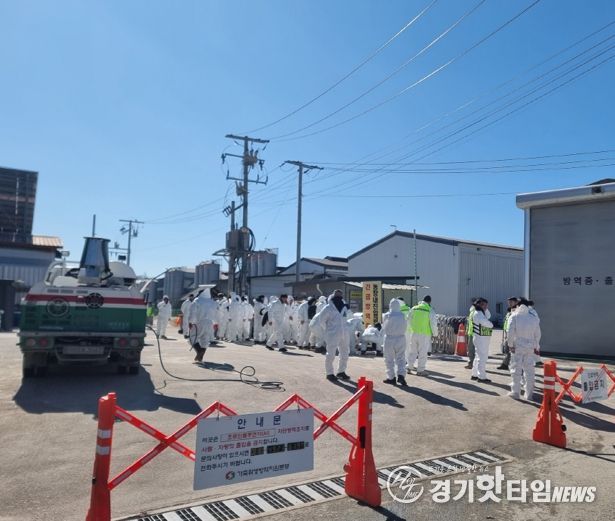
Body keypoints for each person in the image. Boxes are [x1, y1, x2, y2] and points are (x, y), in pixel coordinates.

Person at [310, 289, 350, 381]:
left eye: (340, 296)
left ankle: (341, 372)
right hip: (332, 334)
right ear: (333, 296)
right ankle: (329, 373)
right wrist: (328, 330)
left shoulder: (344, 307)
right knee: (331, 354)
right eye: (337, 296)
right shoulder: (328, 308)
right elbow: (321, 321)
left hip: (344, 333)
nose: (339, 298)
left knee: (344, 353)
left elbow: (346, 319)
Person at [507, 298, 541, 400]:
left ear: (518, 305)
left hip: (518, 346)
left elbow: (510, 332)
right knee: (529, 370)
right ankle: (529, 394)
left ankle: (515, 392)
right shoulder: (533, 317)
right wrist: (536, 345)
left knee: (516, 370)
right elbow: (538, 334)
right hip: (529, 347)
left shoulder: (515, 316)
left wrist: (510, 345)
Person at [406, 295, 438, 376]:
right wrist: (435, 333)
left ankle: (409, 367)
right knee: (422, 353)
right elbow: (433, 323)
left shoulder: (414, 308)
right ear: (429, 302)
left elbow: (408, 320)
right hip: (424, 335)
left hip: (414, 333)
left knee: (412, 351)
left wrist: (411, 329)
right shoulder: (429, 310)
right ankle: (420, 370)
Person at [382, 299, 408, 386]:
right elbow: (406, 325)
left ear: (390, 306)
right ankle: (401, 376)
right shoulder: (403, 315)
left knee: (389, 359)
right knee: (401, 358)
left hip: (389, 339)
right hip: (401, 338)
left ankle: (391, 378)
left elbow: (384, 327)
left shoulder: (387, 315)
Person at [187, 288, 218, 362]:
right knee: (205, 340)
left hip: (199, 322)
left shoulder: (197, 301)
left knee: (192, 338)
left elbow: (193, 312)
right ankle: (200, 357)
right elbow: (216, 313)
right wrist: (215, 323)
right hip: (210, 323)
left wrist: (190, 322)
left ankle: (199, 351)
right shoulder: (212, 302)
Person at [470, 298, 493, 383]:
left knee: (478, 357)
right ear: (479, 304)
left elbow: (488, 316)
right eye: (484, 305)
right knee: (482, 357)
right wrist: (491, 324)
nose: (485, 307)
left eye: (486, 305)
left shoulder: (480, 312)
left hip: (480, 338)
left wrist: (485, 309)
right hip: (481, 338)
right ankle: (481, 377)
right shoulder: (478, 314)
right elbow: (487, 323)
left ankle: (475, 374)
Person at [497, 296, 519, 370]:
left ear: (516, 302)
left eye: (511, 302)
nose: (509, 303)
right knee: (507, 350)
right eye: (509, 302)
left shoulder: (517, 311)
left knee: (511, 351)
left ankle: (506, 365)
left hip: (514, 334)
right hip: (508, 333)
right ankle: (505, 364)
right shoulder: (509, 311)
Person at [465, 299, 477, 369]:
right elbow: (469, 323)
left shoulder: (477, 312)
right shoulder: (472, 311)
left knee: (473, 349)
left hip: (475, 333)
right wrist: (467, 330)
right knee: (470, 349)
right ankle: (471, 363)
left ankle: (473, 363)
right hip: (471, 333)